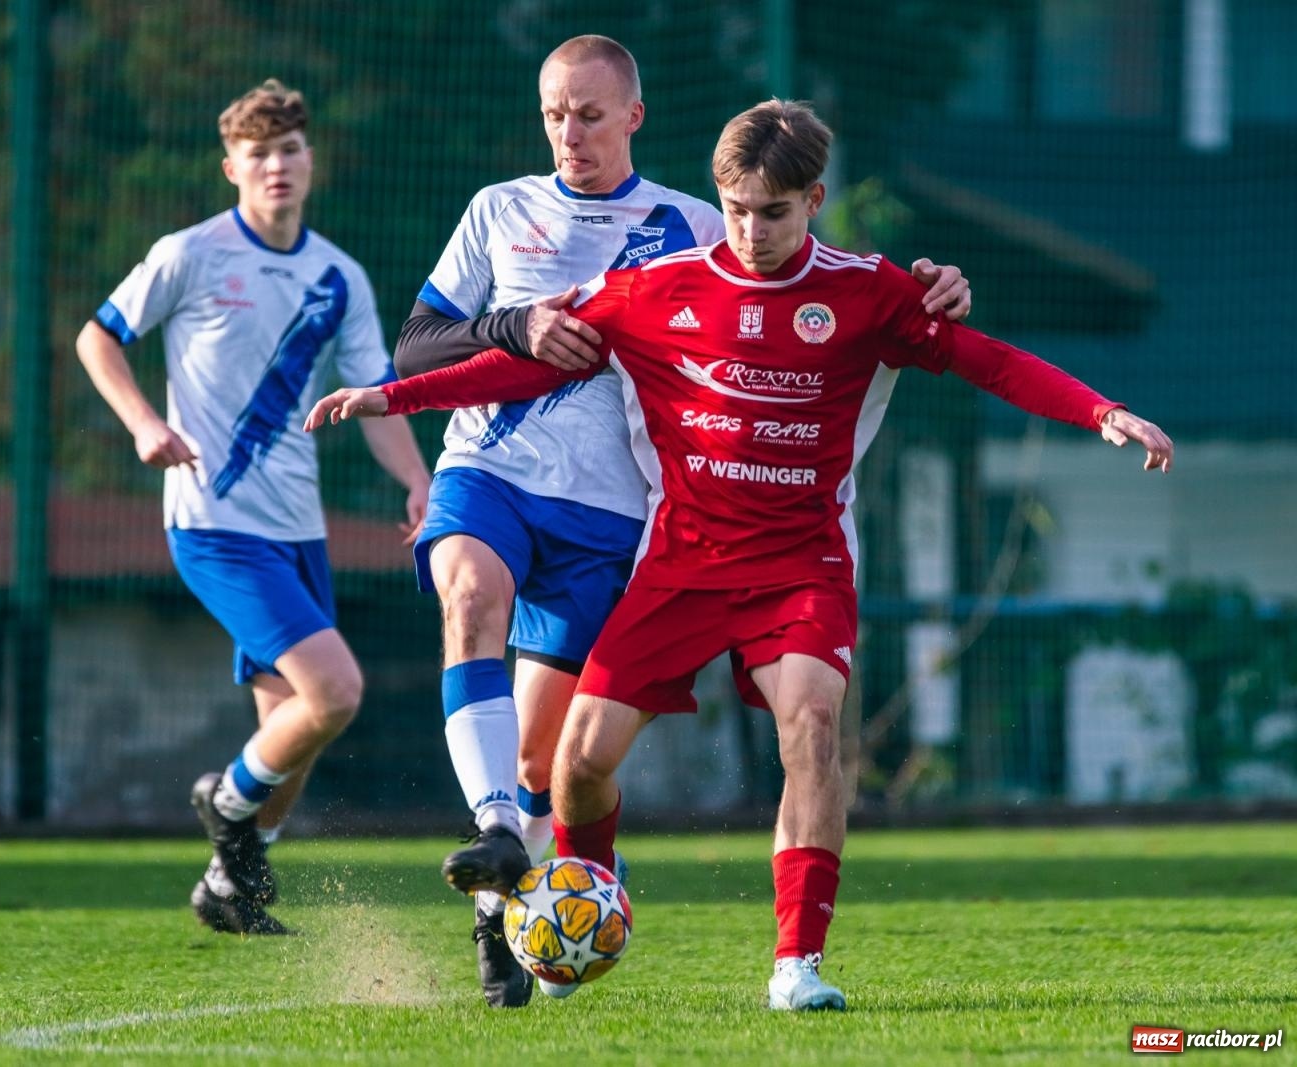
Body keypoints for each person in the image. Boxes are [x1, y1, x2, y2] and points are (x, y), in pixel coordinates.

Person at [306, 97, 1174, 1008]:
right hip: (680, 562)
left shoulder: (869, 290)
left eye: (775, 212)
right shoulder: (655, 289)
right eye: (737, 210)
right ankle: (579, 898)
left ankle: (796, 965)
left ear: (815, 201)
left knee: (810, 724)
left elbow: (988, 360)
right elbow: (534, 364)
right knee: (578, 765)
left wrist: (1101, 411)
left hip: (801, 567)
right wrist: (393, 397)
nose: (753, 232)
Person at [391, 35, 973, 1008]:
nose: (566, 133)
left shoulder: (701, 224)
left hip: (612, 514)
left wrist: (928, 295)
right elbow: (416, 345)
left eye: (586, 114)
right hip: (489, 470)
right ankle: (495, 831)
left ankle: (502, 905)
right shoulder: (498, 210)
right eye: (551, 114)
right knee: (469, 595)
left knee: (548, 758)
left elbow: (809, 290)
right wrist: (512, 324)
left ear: (633, 119)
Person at [75, 79, 430, 936]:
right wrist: (144, 425)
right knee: (337, 691)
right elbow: (97, 336)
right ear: (231, 165)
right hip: (214, 525)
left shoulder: (337, 276)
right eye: (260, 152)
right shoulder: (190, 253)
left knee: (293, 731)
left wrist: (420, 482)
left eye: (291, 149)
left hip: (298, 530)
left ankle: (226, 884)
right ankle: (225, 803)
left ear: (312, 162)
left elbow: (371, 397)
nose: (278, 165)